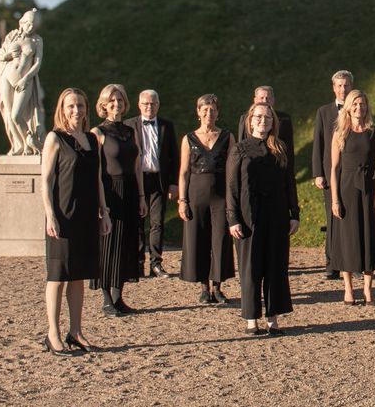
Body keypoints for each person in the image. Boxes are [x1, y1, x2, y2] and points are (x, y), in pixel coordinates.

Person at [40, 88, 110, 356]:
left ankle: (76, 331)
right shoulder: (55, 138)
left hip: (86, 215)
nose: (76, 110)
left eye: (80, 105)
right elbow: (46, 181)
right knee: (57, 276)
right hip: (62, 216)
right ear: (62, 108)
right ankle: (53, 334)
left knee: (78, 275)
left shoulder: (93, 139)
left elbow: (98, 178)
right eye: (71, 106)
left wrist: (103, 211)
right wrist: (50, 215)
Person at [228, 103, 300, 335]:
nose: (263, 121)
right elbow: (231, 187)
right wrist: (233, 219)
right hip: (249, 217)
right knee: (251, 267)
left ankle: (273, 318)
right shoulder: (239, 149)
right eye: (258, 117)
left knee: (275, 266)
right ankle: (251, 318)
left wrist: (294, 213)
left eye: (267, 117)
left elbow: (290, 182)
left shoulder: (280, 147)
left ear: (273, 122)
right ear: (250, 120)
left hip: (277, 214)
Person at [90, 83, 147, 316]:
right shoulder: (98, 133)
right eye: (112, 101)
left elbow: (137, 166)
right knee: (108, 245)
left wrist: (142, 196)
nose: (117, 105)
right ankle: (106, 299)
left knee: (125, 244)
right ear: (104, 105)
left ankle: (118, 296)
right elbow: (95, 170)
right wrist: (100, 203)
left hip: (130, 191)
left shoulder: (131, 131)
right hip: (109, 191)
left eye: (120, 101)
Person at [177, 94, 236, 304]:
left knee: (220, 239)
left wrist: (233, 199)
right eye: (204, 109)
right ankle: (204, 287)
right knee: (199, 240)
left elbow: (232, 170)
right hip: (196, 195)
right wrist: (182, 201)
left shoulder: (227, 137)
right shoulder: (189, 138)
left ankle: (218, 286)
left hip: (220, 195)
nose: (208, 113)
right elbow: (184, 172)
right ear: (198, 112)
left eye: (212, 110)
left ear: (218, 113)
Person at [328, 89, 375, 305]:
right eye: (355, 104)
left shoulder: (374, 133)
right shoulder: (340, 133)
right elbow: (333, 169)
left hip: (369, 188)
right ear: (348, 107)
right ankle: (348, 289)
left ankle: (368, 290)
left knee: (369, 236)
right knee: (348, 238)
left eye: (362, 104)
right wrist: (335, 199)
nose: (359, 108)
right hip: (347, 189)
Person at [127, 89, 180, 278]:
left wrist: (174, 183)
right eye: (146, 104)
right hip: (137, 181)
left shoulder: (166, 126)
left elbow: (174, 156)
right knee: (138, 222)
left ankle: (156, 263)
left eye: (153, 103)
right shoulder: (129, 125)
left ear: (158, 105)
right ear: (139, 105)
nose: (149, 107)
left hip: (159, 180)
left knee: (157, 222)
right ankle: (138, 262)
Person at [311, 71, 353, 280]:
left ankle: (352, 261)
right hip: (330, 174)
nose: (342, 89)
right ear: (333, 88)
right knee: (333, 218)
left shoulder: (358, 110)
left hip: (353, 174)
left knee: (352, 218)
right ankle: (332, 263)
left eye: (346, 85)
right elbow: (318, 143)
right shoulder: (324, 112)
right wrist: (318, 173)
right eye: (339, 86)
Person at [0, 8, 46, 155]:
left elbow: (37, 63)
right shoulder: (11, 36)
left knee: (16, 116)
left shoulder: (37, 40)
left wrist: (25, 79)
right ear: (22, 22)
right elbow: (0, 54)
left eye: (34, 25)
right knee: (8, 113)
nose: (31, 28)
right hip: (6, 76)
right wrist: (6, 56)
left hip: (24, 80)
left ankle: (30, 142)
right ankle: (20, 145)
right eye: (29, 24)